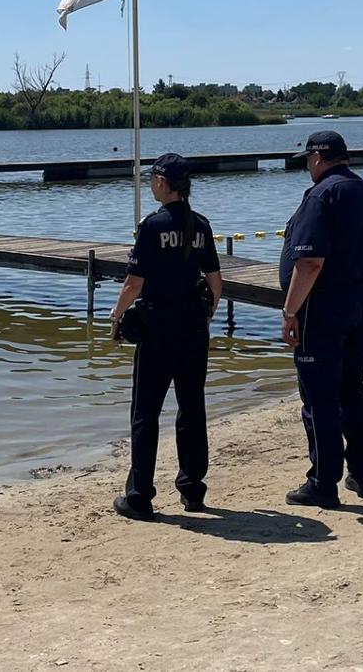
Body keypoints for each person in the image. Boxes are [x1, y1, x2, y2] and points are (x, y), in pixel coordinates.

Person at [279, 130, 363, 506]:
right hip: (360, 302)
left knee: (320, 397)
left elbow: (311, 262)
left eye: (308, 162)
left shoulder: (320, 195)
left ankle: (323, 482)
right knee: (352, 391)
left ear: (316, 159)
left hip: (322, 307)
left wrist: (291, 310)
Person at [108, 153, 224, 521]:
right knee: (192, 408)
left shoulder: (153, 225)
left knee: (145, 412)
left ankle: (140, 496)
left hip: (158, 328)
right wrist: (207, 313)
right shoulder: (201, 225)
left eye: (153, 180)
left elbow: (133, 283)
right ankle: (192, 490)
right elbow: (215, 282)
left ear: (161, 183)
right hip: (193, 327)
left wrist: (115, 316)